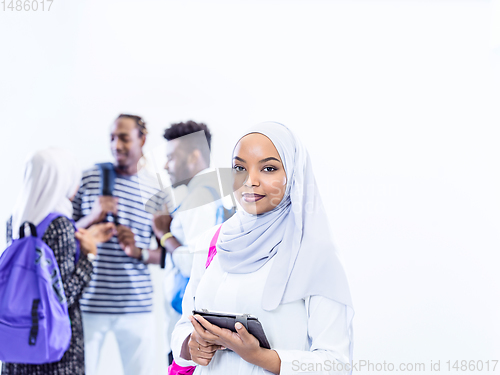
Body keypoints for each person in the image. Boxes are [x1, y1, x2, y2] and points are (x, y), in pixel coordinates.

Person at [170, 122, 354, 375]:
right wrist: (190, 345)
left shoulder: (315, 254)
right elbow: (184, 324)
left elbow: (336, 364)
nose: (250, 181)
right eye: (239, 168)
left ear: (293, 174)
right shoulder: (213, 241)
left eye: (268, 168)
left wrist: (261, 357)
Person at [1, 148, 114, 375]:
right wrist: (89, 256)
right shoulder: (60, 224)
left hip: (18, 339)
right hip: (53, 345)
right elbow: (63, 296)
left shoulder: (16, 220)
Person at [72, 114, 168, 375]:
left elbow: (166, 256)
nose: (116, 145)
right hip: (89, 304)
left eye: (124, 138)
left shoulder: (157, 190)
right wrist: (91, 218)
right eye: (112, 138)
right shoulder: (89, 178)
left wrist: (137, 251)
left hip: (137, 305)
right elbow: (62, 239)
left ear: (142, 139)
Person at [152, 121, 228, 365]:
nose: (165, 165)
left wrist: (164, 234)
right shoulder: (206, 191)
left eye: (171, 157)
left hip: (190, 330)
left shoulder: (201, 196)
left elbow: (195, 263)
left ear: (195, 155)